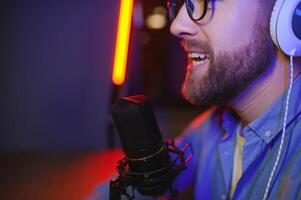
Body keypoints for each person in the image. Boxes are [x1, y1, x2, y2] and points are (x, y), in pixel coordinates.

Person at [89, 0, 301, 199]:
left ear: (287, 14)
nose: (176, 26)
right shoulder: (212, 127)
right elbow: (147, 181)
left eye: (206, 2)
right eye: (182, 3)